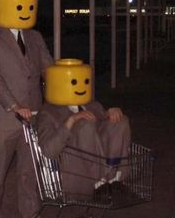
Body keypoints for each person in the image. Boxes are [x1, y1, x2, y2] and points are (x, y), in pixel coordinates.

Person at [0, 0, 53, 218]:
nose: (26, 12)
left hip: (34, 115)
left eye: (29, 7)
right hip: (4, 119)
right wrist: (14, 105)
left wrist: (70, 97)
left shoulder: (35, 37)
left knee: (30, 171)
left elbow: (48, 69)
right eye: (20, 7)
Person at [36, 59, 131, 201]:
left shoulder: (91, 105)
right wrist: (71, 121)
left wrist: (111, 112)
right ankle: (100, 181)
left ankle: (113, 179)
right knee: (85, 124)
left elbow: (106, 129)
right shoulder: (48, 113)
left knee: (120, 121)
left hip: (102, 160)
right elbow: (49, 151)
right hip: (78, 169)